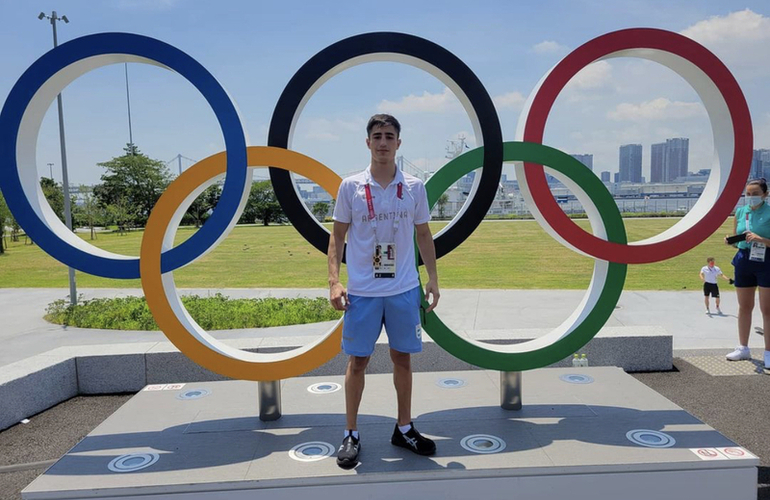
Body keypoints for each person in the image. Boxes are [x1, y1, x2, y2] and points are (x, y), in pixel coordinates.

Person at [327, 114, 440, 469]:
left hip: (404, 287)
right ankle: (351, 433)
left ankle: (404, 427)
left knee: (402, 358)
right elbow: (337, 236)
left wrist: (433, 279)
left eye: (389, 136)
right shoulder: (351, 187)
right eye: (377, 136)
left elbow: (423, 234)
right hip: (362, 290)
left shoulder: (415, 187)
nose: (383, 142)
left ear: (399, 143)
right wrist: (334, 281)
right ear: (367, 142)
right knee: (357, 361)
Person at [725, 178, 770, 370]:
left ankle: (768, 352)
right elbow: (738, 239)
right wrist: (731, 241)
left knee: (767, 309)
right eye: (748, 194)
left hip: (766, 260)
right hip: (744, 259)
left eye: (755, 194)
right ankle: (743, 347)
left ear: (765, 195)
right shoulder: (741, 212)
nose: (750, 197)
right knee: (744, 307)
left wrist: (762, 239)